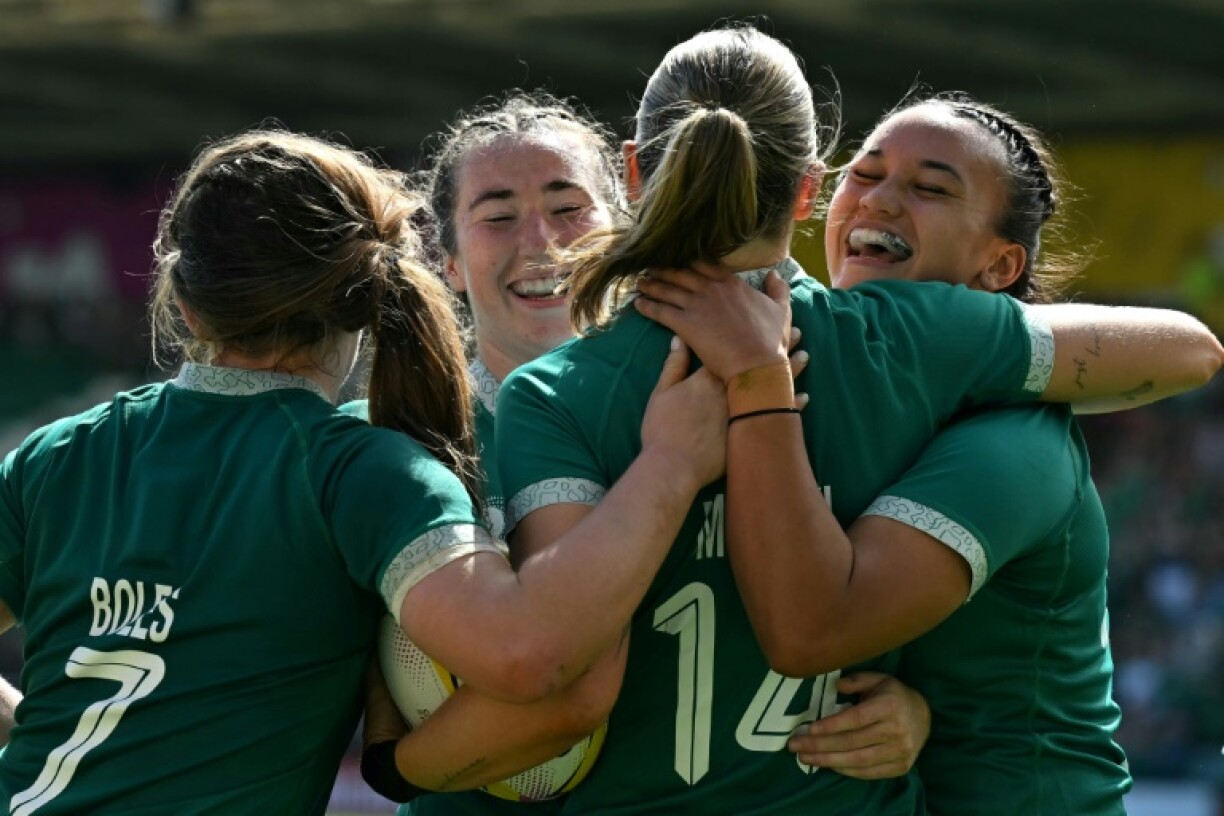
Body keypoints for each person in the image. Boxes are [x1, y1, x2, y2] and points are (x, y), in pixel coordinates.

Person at [480, 25, 1221, 814]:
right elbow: (1188, 349)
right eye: (863, 175)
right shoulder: (915, 344)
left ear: (633, 172)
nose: (881, 200)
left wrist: (407, 761)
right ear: (808, 189)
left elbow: (559, 670)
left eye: (930, 187)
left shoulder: (546, 393)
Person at [0, 128, 727, 815]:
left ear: (184, 304)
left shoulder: (57, 453)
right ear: (361, 298)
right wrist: (669, 464)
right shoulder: (358, 469)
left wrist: (46, 739)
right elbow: (528, 658)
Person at [352, 92, 933, 813]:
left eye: (569, 208)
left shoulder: (745, 399)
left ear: (628, 225)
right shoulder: (387, 443)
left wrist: (912, 709)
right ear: (447, 259)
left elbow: (824, 605)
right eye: (498, 217)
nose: (542, 242)